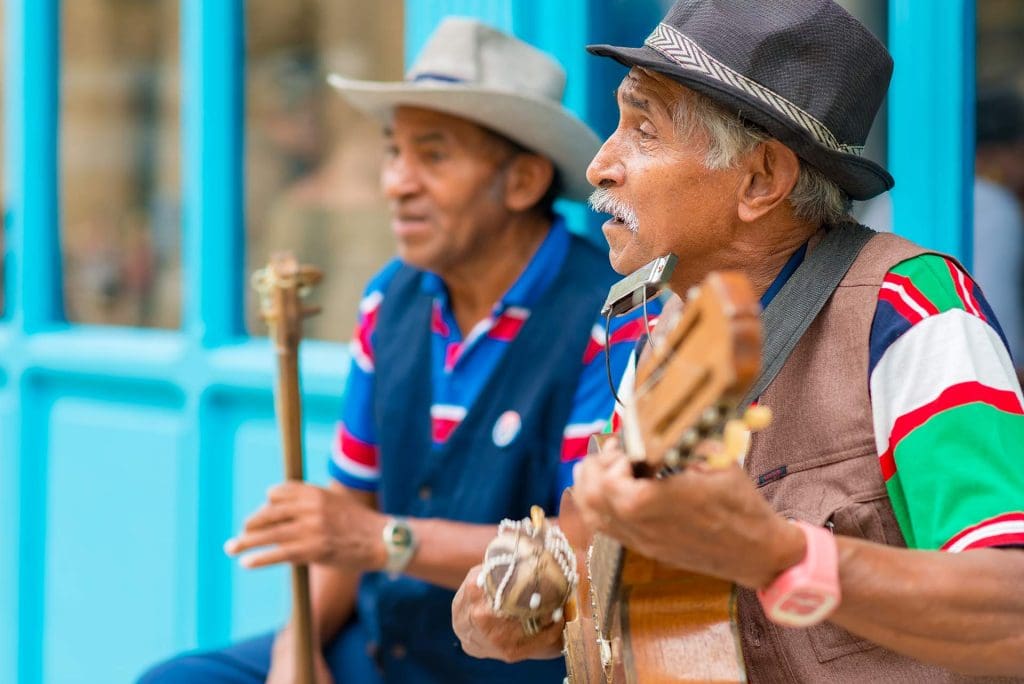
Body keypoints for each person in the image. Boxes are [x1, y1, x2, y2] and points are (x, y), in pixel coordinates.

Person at [452, 1, 1024, 679]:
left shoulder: (910, 311)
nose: (600, 165)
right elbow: (640, 598)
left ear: (760, 179)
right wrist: (530, 597)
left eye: (643, 129)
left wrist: (779, 556)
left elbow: (1011, 619)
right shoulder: (664, 338)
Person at [140, 18, 650, 684]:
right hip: (384, 648)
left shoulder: (607, 318)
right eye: (393, 152)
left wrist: (380, 541)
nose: (397, 183)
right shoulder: (391, 302)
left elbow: (580, 547)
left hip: (514, 665)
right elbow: (346, 510)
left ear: (524, 181)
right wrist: (297, 653)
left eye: (433, 156)